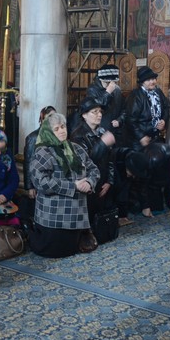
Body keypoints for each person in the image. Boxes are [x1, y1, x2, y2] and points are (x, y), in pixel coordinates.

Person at [29, 112, 100, 258]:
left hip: (77, 215)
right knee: (56, 252)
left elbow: (94, 169)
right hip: (54, 216)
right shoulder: (43, 152)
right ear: (48, 132)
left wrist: (89, 182)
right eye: (56, 129)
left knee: (72, 250)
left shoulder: (76, 148)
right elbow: (40, 182)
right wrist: (73, 186)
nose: (62, 131)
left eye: (63, 127)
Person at [123, 65, 170, 216]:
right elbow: (130, 120)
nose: (153, 82)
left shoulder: (158, 92)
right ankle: (143, 207)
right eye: (149, 79)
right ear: (142, 82)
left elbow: (166, 108)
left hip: (154, 137)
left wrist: (163, 121)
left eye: (154, 79)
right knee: (142, 173)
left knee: (157, 170)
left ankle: (155, 205)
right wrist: (141, 137)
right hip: (138, 140)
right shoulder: (135, 96)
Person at [71, 98, 118, 241]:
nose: (99, 115)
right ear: (84, 115)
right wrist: (103, 144)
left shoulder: (102, 131)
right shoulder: (78, 135)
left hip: (102, 179)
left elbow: (111, 159)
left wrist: (109, 181)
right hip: (88, 181)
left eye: (100, 112)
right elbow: (87, 161)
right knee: (88, 216)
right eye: (94, 112)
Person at [22, 105, 56, 226]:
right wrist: (30, 186)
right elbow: (28, 162)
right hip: (38, 181)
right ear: (42, 120)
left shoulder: (57, 135)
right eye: (49, 117)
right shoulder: (33, 137)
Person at [84, 64, 125, 142]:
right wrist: (108, 92)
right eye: (106, 83)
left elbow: (124, 109)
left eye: (112, 83)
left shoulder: (117, 90)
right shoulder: (92, 90)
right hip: (99, 130)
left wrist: (119, 120)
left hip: (115, 131)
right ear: (100, 79)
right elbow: (96, 107)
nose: (110, 85)